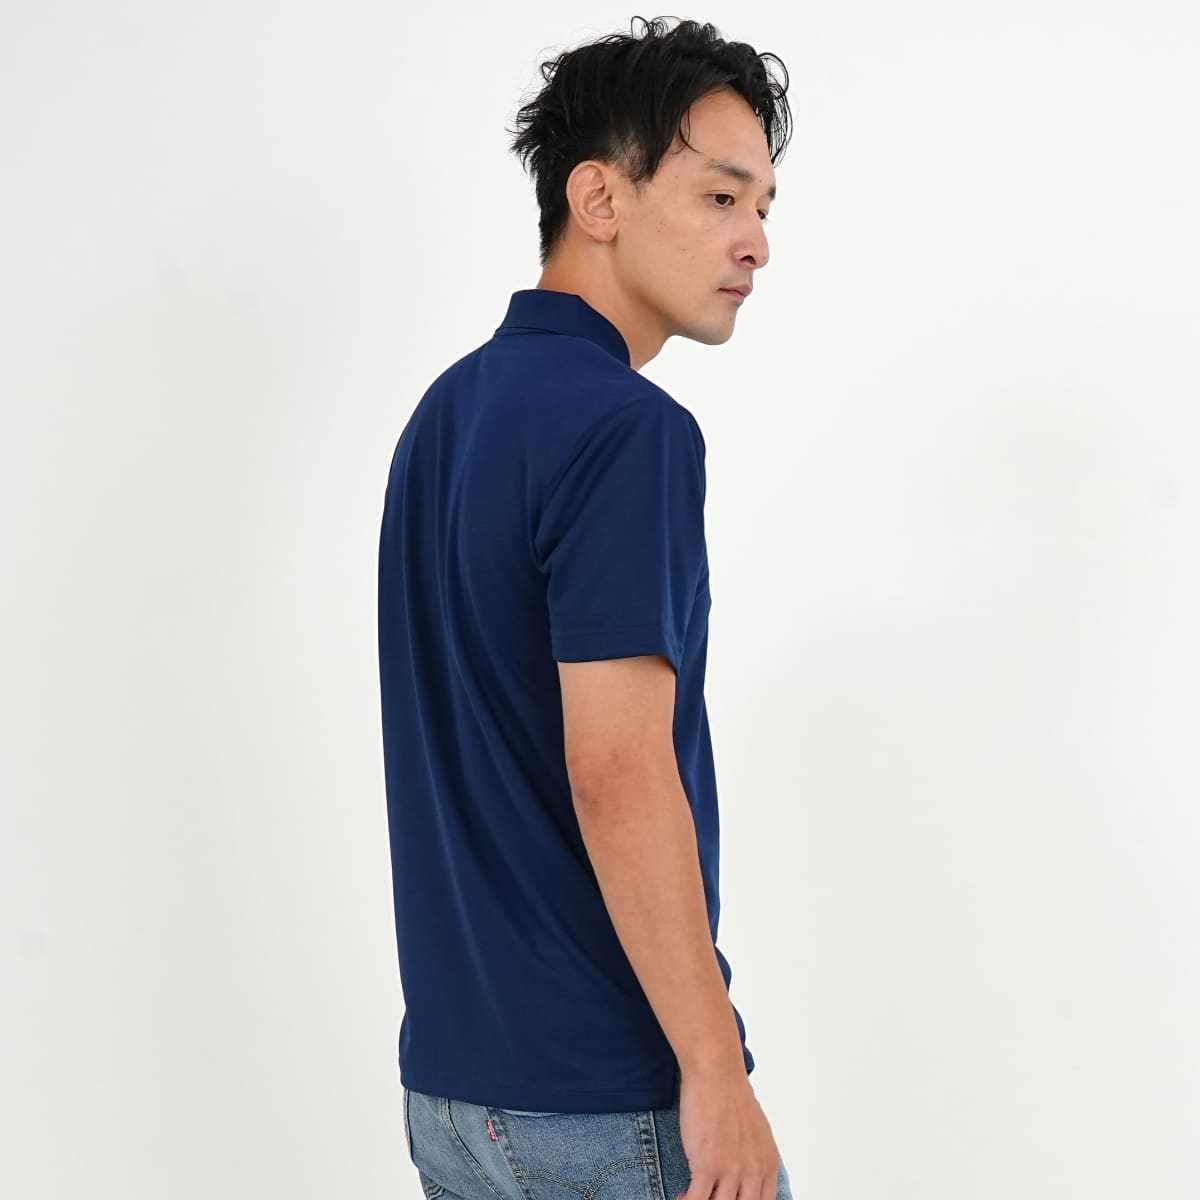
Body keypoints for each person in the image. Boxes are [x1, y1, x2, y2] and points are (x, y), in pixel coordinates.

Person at [376, 15, 793, 1200]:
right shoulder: (629, 431)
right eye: (721, 197)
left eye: (765, 206)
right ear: (599, 197)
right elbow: (618, 771)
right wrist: (714, 1069)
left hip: (454, 1098)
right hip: (608, 1100)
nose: (757, 242)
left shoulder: (446, 414)